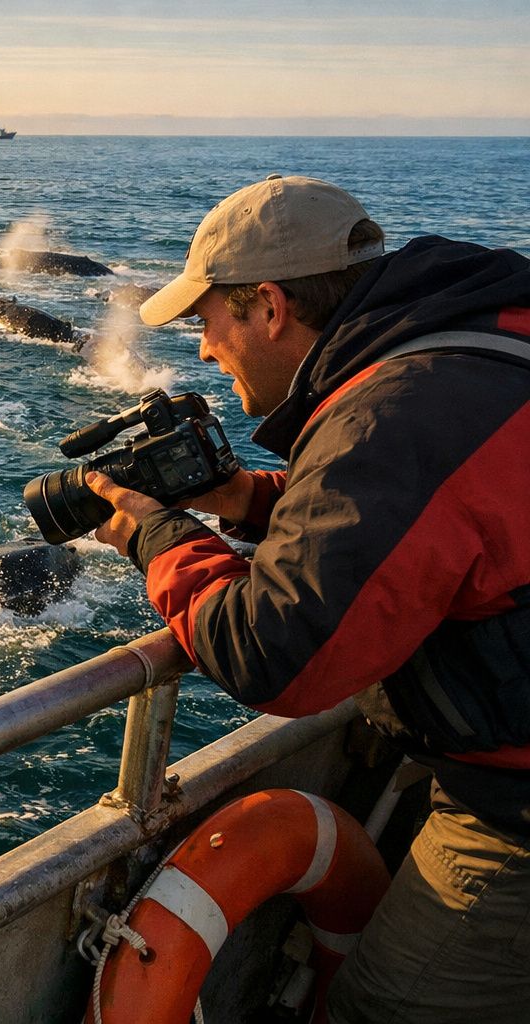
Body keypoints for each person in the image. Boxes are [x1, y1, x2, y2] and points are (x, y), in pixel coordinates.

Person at [86, 174, 530, 1023]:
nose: (207, 351)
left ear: (268, 308)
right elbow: (443, 510)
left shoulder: (391, 418)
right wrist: (251, 501)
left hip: (512, 814)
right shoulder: (471, 351)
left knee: (386, 1007)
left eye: (206, 321)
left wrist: (159, 538)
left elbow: (277, 657)